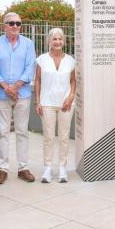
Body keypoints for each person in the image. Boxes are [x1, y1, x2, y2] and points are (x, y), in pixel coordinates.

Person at [0, 12, 36, 184]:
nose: (15, 26)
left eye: (18, 23)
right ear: (4, 26)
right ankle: (3, 168)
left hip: (22, 94)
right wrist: (7, 88)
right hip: (1, 94)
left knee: (22, 131)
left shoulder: (29, 44)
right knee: (2, 132)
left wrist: (15, 87)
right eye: (11, 23)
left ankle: (23, 168)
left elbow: (30, 67)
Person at [34, 28, 76, 183]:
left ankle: (63, 167)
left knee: (64, 137)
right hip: (47, 103)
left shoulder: (71, 60)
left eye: (60, 39)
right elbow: (37, 80)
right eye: (54, 39)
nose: (57, 42)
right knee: (48, 137)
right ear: (49, 41)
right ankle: (48, 167)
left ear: (64, 41)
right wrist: (38, 101)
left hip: (65, 104)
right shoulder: (41, 60)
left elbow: (73, 81)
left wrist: (71, 97)